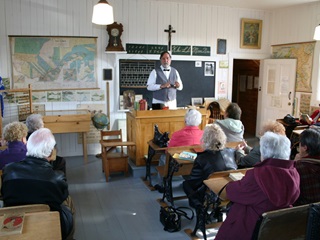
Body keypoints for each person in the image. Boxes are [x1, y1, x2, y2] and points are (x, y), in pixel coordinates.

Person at [215, 132, 300, 240]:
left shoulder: (258, 175)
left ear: (264, 153)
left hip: (253, 227)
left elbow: (231, 192)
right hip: (279, 227)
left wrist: (237, 183)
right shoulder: (293, 173)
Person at [1, 128, 75, 240]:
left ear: (28, 146)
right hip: (49, 223)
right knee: (68, 201)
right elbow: (61, 197)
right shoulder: (57, 177)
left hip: (15, 222)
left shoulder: (9, 170)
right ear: (51, 152)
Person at [182, 124, 237, 208]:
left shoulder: (202, 158)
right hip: (231, 192)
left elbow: (193, 182)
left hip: (210, 196)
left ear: (205, 139)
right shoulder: (231, 151)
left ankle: (199, 208)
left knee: (186, 184)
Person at [153, 109, 204, 193]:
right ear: (199, 121)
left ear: (185, 120)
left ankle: (161, 184)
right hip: (198, 161)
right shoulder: (203, 134)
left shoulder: (177, 134)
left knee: (163, 157)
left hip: (183, 160)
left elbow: (168, 151)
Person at [293, 128, 320, 206]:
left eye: (300, 144)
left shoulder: (298, 167)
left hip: (305, 212)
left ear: (305, 148)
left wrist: (294, 163)